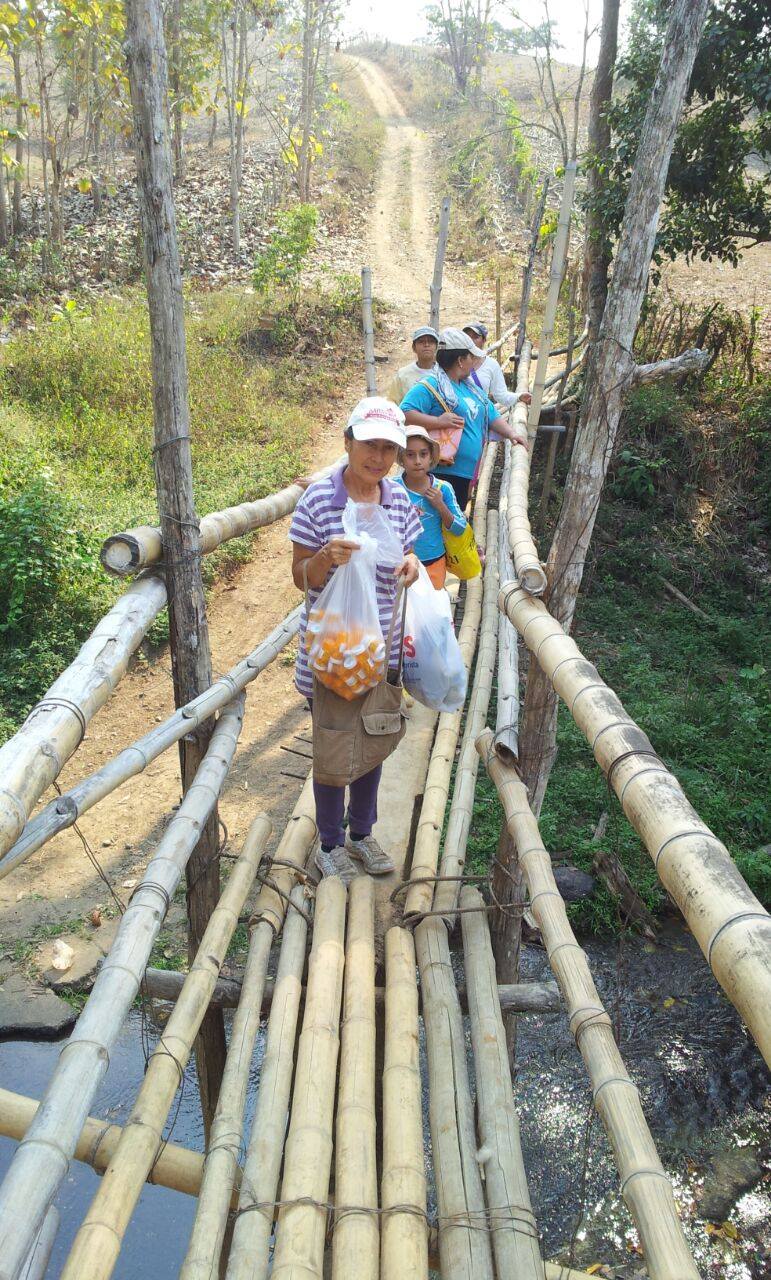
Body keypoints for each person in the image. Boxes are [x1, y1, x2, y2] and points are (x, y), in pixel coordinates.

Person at [289, 397, 421, 884]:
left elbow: (408, 553)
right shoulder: (320, 499)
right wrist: (324, 558)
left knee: (373, 742)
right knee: (332, 746)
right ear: (347, 442)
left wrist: (410, 565)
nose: (379, 457)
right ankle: (329, 842)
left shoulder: (398, 498)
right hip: (334, 653)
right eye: (370, 444)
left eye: (390, 448)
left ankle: (362, 834)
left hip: (379, 651)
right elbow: (300, 577)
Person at [400, 327, 528, 511]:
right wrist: (438, 422)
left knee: (453, 518)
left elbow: (491, 414)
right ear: (460, 360)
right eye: (471, 357)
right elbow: (404, 412)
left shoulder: (471, 389)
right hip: (439, 472)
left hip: (464, 473)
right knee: (437, 523)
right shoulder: (432, 385)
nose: (474, 362)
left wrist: (512, 434)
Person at [396, 426, 467, 589]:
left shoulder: (443, 488)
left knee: (432, 610)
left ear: (431, 457)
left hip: (433, 561)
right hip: (401, 563)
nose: (417, 461)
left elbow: (460, 528)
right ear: (401, 458)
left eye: (423, 454)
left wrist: (440, 506)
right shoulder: (392, 488)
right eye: (410, 455)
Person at [463, 321, 519, 408]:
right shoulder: (455, 362)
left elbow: (501, 395)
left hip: (479, 416)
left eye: (475, 337)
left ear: (484, 340)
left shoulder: (491, 364)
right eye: (467, 337)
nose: (470, 341)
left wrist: (519, 397)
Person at [386, 326, 440, 403]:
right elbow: (393, 403)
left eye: (431, 341)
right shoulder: (402, 375)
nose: (426, 345)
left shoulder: (444, 373)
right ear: (414, 347)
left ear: (436, 347)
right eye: (421, 341)